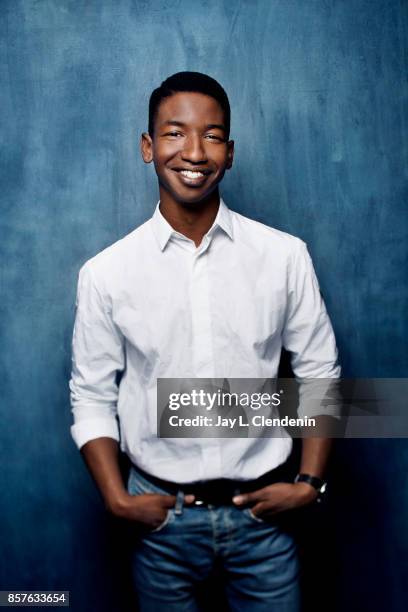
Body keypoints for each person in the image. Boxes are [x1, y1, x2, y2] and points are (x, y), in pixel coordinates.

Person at [69, 71, 340, 611]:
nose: (194, 151)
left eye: (212, 135)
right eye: (174, 133)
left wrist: (311, 483)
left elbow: (318, 374)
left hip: (265, 518)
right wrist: (118, 500)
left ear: (231, 152)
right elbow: (92, 394)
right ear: (148, 147)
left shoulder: (285, 256)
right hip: (161, 517)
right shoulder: (106, 273)